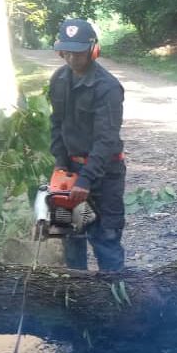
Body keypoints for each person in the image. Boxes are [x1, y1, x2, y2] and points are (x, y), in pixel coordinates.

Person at [48, 18, 126, 271]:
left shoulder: (108, 87)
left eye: (78, 53)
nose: (72, 59)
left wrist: (86, 179)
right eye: (67, 52)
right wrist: (61, 165)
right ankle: (78, 298)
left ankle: (114, 298)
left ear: (93, 50)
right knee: (71, 238)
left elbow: (107, 139)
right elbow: (56, 124)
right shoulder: (59, 79)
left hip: (104, 173)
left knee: (106, 239)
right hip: (70, 169)